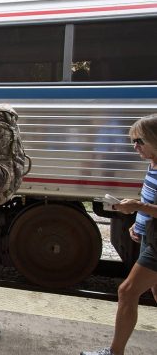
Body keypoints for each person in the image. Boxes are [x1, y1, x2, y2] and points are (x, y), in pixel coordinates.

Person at [81, 114, 157, 355]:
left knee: (126, 291)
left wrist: (136, 208)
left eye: (139, 141)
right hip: (151, 236)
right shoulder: (153, 163)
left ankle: (115, 352)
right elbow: (150, 199)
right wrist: (140, 224)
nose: (135, 147)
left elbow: (146, 204)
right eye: (133, 141)